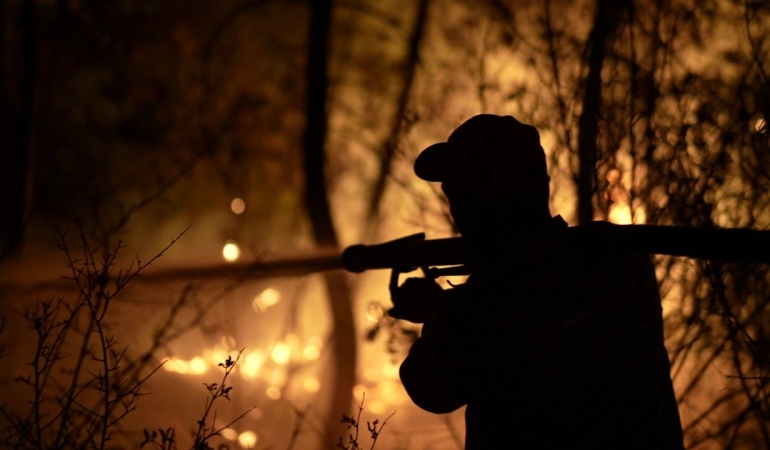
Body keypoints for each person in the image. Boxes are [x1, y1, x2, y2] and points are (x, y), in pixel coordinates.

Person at [388, 114, 684, 449]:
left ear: (488, 200)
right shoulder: (619, 255)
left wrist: (438, 313)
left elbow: (430, 387)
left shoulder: (480, 305)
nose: (457, 208)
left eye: (462, 192)